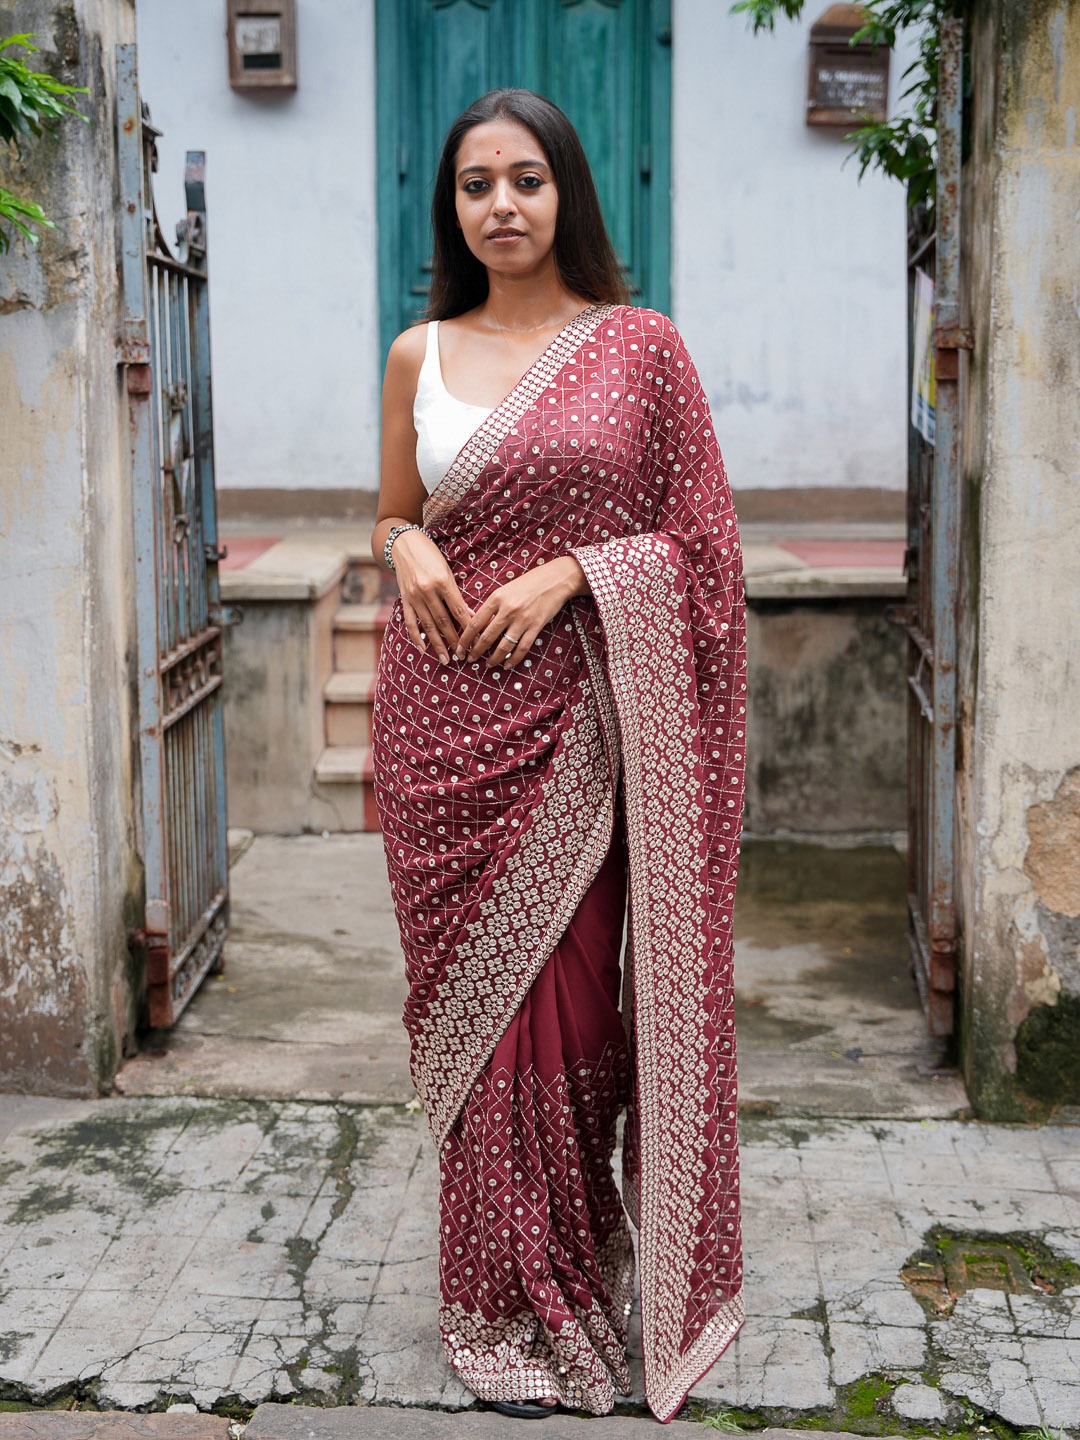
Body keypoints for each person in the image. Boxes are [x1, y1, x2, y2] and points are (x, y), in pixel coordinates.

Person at [370, 87, 747, 1423]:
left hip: (579, 739)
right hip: (437, 737)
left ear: (569, 192)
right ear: (452, 209)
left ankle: (569, 1292)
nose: (502, 206)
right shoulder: (420, 351)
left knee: (573, 1009)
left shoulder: (640, 351)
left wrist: (577, 574)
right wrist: (407, 545)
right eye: (477, 185)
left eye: (527, 179)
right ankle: (488, 1308)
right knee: (473, 1035)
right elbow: (394, 518)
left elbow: (702, 553)